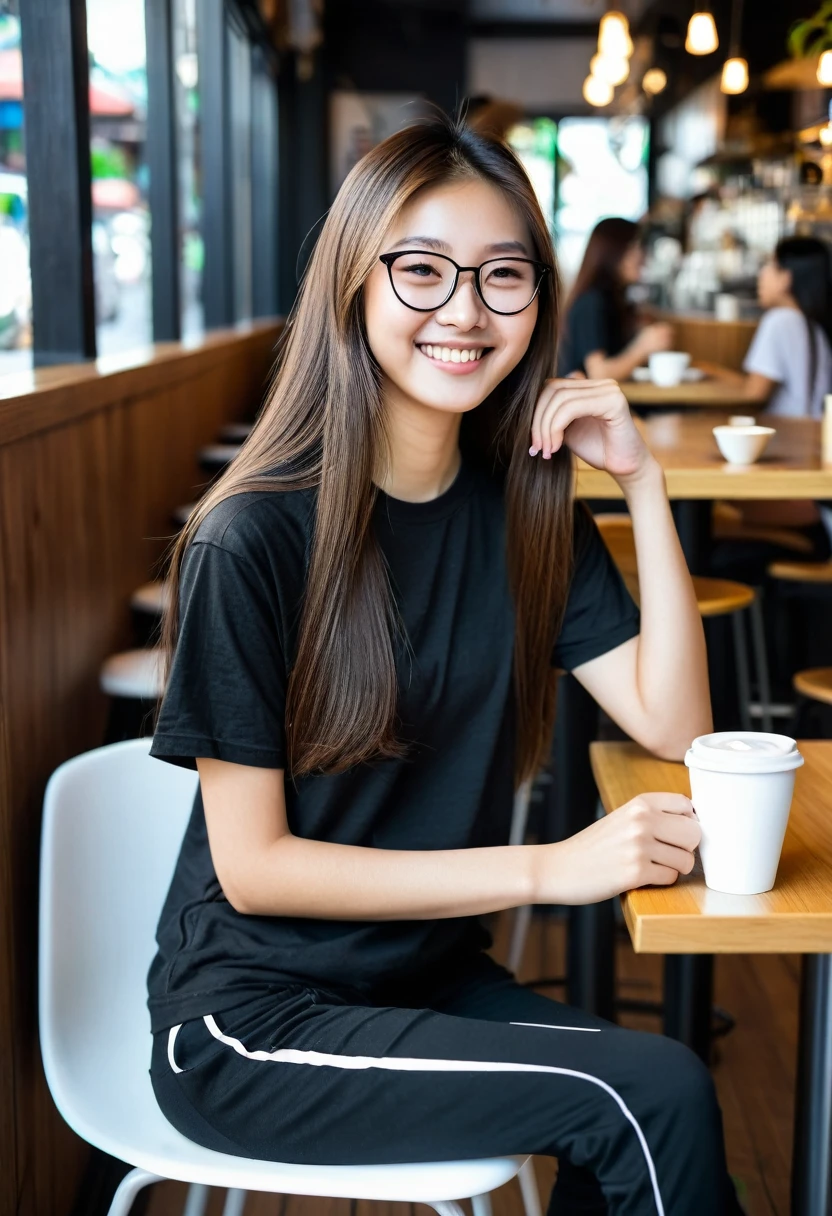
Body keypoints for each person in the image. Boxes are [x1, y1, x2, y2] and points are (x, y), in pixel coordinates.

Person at [147, 113, 741, 1215]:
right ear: (354, 284)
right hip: (251, 1018)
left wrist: (646, 485)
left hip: (418, 977)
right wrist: (545, 868)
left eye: (502, 277)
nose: (464, 311)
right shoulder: (253, 538)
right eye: (421, 270)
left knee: (664, 1094)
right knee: (643, 1097)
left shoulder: (527, 511)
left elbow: (671, 719)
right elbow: (256, 868)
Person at [557, 217, 673, 380]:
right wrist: (643, 347)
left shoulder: (612, 300)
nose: (642, 255)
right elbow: (599, 374)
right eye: (634, 246)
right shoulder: (591, 301)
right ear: (613, 251)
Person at [740, 235, 832, 418]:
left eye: (771, 265)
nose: (762, 274)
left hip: (785, 437)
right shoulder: (817, 327)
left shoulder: (778, 321)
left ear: (785, 278)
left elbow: (754, 395)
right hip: (814, 435)